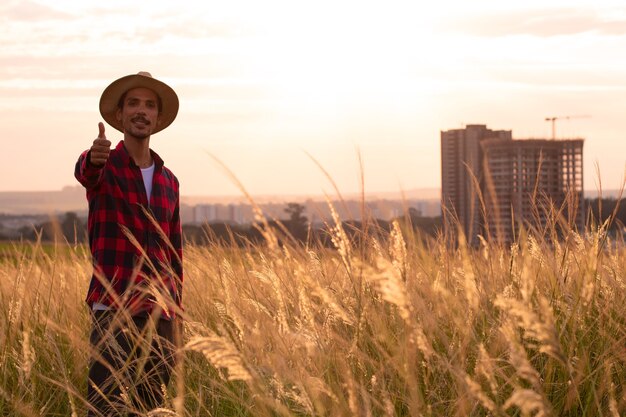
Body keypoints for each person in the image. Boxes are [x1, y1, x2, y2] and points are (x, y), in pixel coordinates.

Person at [75, 71, 183, 416]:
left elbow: (174, 252)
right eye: (133, 103)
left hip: (159, 314)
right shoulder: (105, 164)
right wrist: (93, 157)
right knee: (105, 407)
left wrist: (177, 313)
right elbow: (86, 172)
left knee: (151, 409)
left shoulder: (169, 181)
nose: (142, 111)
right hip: (114, 309)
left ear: (158, 117)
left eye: (150, 105)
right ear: (119, 115)